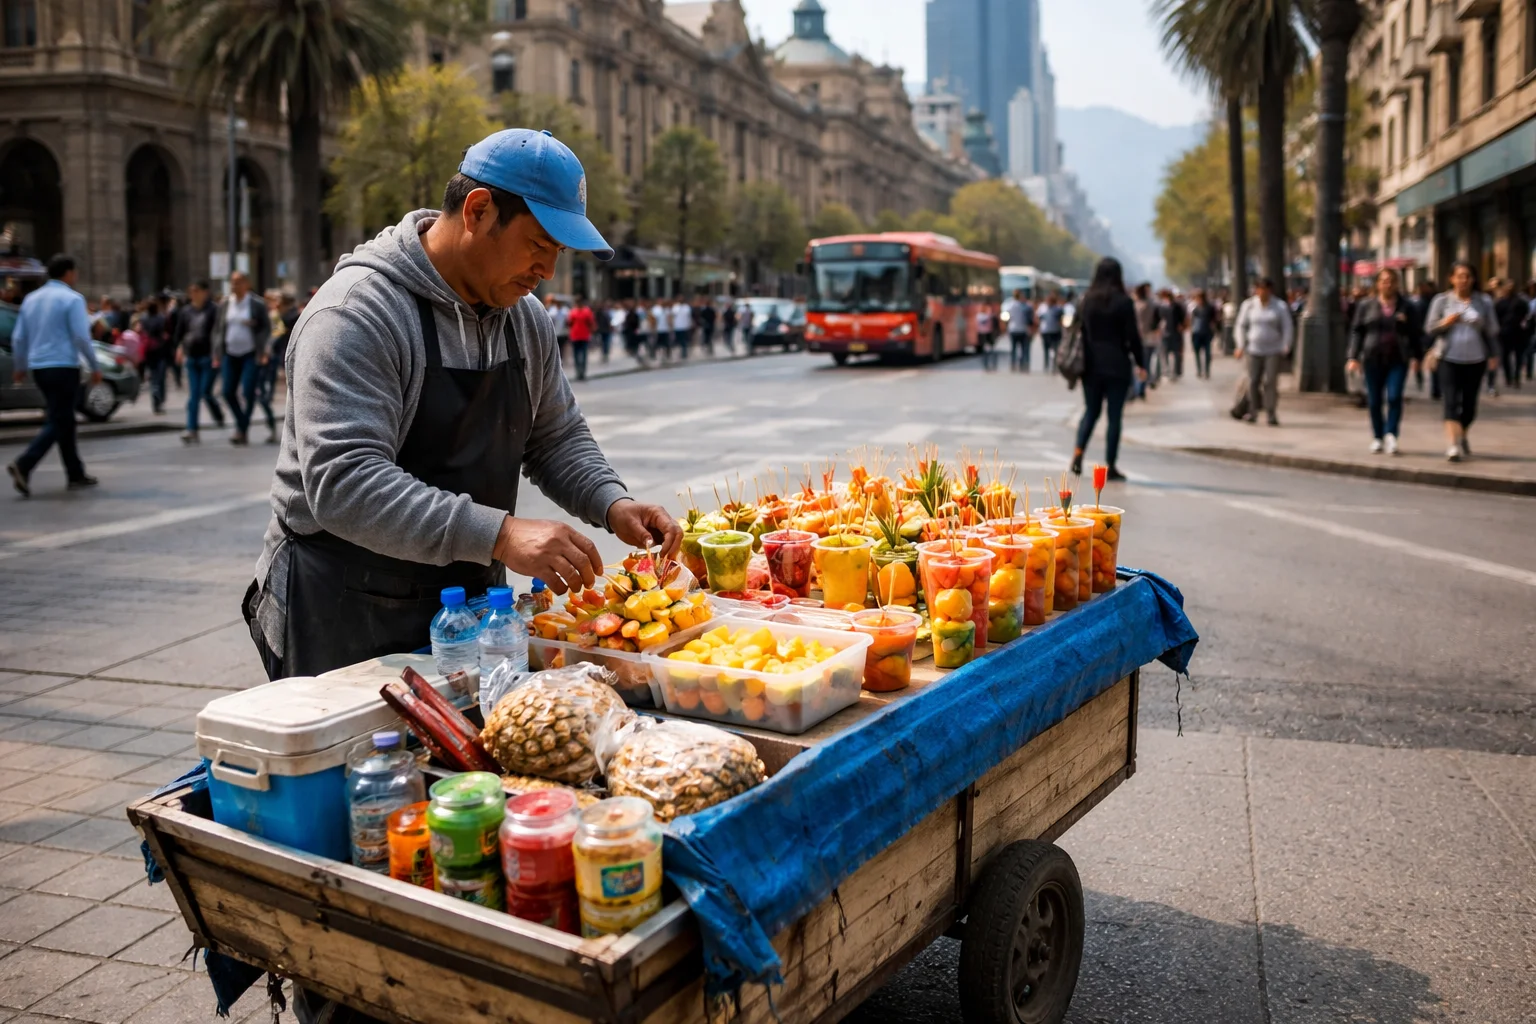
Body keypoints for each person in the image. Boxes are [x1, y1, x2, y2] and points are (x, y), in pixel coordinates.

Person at [241, 126, 680, 690]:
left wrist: (612, 502)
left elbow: (555, 437)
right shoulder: (356, 315)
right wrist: (500, 534)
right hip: (341, 606)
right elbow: (345, 483)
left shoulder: (523, 319)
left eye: (558, 254)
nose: (548, 272)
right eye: (539, 246)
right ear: (477, 210)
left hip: (464, 603)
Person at [6, 254, 100, 496]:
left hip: (39, 367)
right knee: (60, 420)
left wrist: (20, 366)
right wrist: (95, 365)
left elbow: (18, 337)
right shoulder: (72, 299)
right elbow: (81, 337)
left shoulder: (31, 299)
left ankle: (75, 472)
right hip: (63, 365)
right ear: (68, 273)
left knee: (63, 418)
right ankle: (24, 464)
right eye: (75, 272)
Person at [1070, 257, 1147, 480]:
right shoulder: (1124, 302)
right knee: (1114, 417)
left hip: (1090, 365)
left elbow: (1078, 329)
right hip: (1117, 365)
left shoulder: (1086, 300)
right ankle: (1110, 465)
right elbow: (1133, 337)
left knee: (1091, 412)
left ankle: (1078, 454)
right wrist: (1141, 363)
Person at [1424, 262, 1500, 462]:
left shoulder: (1483, 302)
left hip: (1476, 359)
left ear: (1473, 279)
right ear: (1451, 279)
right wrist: (1445, 322)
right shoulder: (1441, 301)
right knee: (1450, 401)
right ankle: (1453, 444)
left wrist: (1480, 324)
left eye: (1467, 276)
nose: (1463, 280)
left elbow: (1493, 331)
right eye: (1459, 276)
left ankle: (1462, 433)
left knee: (1469, 407)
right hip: (1448, 358)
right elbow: (1430, 328)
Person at [1346, 268, 1422, 456]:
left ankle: (1391, 434)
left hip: (1398, 358)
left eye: (1391, 280)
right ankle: (1377, 437)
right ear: (1378, 283)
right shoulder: (1366, 305)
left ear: (1397, 283)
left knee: (1395, 396)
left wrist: (1417, 357)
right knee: (1374, 400)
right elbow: (1357, 331)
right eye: (1384, 280)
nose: (1388, 284)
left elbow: (1416, 333)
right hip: (1372, 357)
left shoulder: (1407, 306)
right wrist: (1353, 357)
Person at [214, 271, 273, 446]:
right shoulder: (225, 304)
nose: (235, 285)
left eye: (239, 282)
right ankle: (242, 423)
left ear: (247, 284)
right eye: (232, 282)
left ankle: (242, 430)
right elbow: (218, 330)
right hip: (230, 353)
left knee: (248, 392)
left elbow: (266, 328)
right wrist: (216, 352)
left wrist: (263, 350)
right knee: (227, 392)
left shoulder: (256, 304)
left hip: (250, 353)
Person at [1234, 277, 1294, 426]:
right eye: (1259, 289)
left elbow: (1287, 327)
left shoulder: (1279, 306)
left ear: (1270, 290)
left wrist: (1286, 344)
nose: (1261, 292)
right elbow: (1240, 326)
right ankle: (1253, 411)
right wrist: (1240, 345)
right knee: (1253, 381)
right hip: (1253, 349)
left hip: (1273, 350)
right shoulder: (1248, 305)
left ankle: (1271, 412)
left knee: (1270, 382)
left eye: (1265, 289)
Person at [174, 279, 225, 443]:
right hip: (192, 356)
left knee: (205, 391)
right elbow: (180, 332)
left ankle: (217, 413)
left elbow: (218, 333)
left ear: (205, 292)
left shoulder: (214, 310)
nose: (193, 294)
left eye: (197, 291)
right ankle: (192, 429)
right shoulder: (186, 311)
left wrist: (217, 353)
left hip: (208, 357)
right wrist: (179, 349)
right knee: (194, 394)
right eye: (191, 291)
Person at [1493, 278, 1526, 390]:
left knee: (1518, 357)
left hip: (1518, 334)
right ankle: (1509, 378)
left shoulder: (1521, 302)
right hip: (1505, 333)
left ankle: (1516, 378)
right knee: (1506, 357)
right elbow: (1496, 317)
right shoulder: (1501, 303)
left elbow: (1526, 316)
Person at [1155, 288, 1187, 381]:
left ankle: (1177, 371)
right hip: (1165, 332)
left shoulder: (1177, 306)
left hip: (1175, 332)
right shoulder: (1160, 306)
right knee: (1165, 353)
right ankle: (1167, 371)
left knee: (1177, 353)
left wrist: (1182, 326)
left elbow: (1182, 318)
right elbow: (1156, 319)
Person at [1132, 283, 1158, 395]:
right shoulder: (1152, 305)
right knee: (1145, 364)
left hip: (1138, 338)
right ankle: (1142, 385)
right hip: (1148, 338)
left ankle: (1140, 387)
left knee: (1140, 364)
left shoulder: (1134, 305)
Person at [1188, 288, 1218, 379]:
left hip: (1207, 333)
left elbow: (1214, 320)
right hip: (1197, 334)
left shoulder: (1210, 307)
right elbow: (1192, 322)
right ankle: (1199, 370)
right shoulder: (1195, 309)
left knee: (1207, 353)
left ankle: (1207, 370)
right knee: (1197, 352)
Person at [1005, 289, 1035, 371]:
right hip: (1023, 329)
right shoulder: (1025, 305)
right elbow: (1029, 319)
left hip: (1013, 329)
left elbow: (1006, 317)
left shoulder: (1009, 305)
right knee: (1024, 349)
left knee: (1013, 349)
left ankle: (1013, 365)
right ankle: (1023, 365)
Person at [567, 294, 594, 381]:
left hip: (580, 335)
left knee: (580, 355)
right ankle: (580, 373)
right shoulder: (586, 311)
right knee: (580, 355)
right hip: (578, 335)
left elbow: (569, 323)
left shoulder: (574, 311)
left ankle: (581, 373)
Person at [1039, 292, 1065, 371]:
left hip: (1055, 331)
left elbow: (1062, 319)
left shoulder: (1058, 309)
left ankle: (1054, 366)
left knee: (1055, 349)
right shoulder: (1043, 308)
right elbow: (1039, 318)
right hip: (1046, 331)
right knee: (1046, 350)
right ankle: (1046, 365)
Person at [975, 304, 997, 371]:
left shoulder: (980, 316)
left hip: (985, 334)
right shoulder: (983, 316)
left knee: (988, 351)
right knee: (987, 351)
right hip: (985, 334)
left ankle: (990, 365)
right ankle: (988, 365)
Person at [670, 295, 693, 359]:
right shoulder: (675, 307)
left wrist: (689, 324)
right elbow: (672, 316)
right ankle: (677, 352)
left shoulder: (687, 307)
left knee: (684, 341)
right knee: (678, 341)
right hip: (677, 327)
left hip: (685, 327)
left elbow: (689, 316)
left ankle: (684, 353)